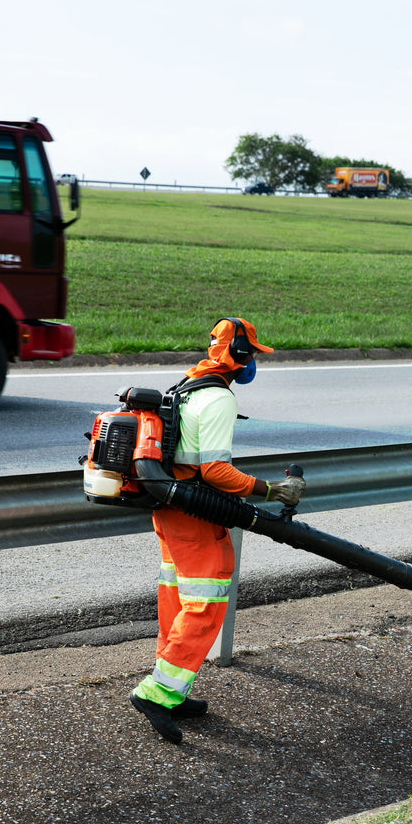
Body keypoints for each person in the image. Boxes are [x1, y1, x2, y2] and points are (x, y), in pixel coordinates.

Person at [129, 317, 304, 744]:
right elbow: (216, 471)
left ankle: (172, 687)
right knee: (206, 603)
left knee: (177, 598)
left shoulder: (188, 386)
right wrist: (270, 489)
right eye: (253, 355)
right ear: (240, 356)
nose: (253, 366)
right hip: (194, 513)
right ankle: (157, 693)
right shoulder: (218, 398)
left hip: (169, 509)